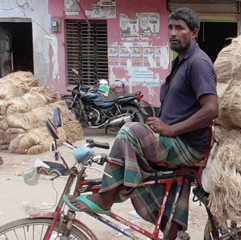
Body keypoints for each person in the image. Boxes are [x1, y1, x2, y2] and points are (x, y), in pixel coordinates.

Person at [64, 7, 218, 240]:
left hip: (188, 144)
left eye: (180, 28)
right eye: (170, 27)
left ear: (193, 33)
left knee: (129, 132)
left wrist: (170, 129)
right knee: (132, 167)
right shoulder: (180, 62)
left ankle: (106, 198)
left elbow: (211, 109)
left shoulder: (198, 63)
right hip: (175, 139)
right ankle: (172, 229)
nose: (173, 33)